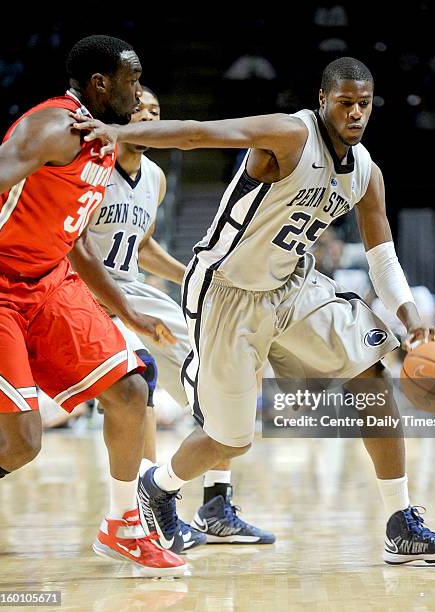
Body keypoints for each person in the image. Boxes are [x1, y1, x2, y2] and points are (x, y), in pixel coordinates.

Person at [72, 56, 435, 564]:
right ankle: (159, 485)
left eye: (363, 105)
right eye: (344, 102)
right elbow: (197, 133)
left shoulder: (366, 173)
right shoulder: (289, 135)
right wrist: (109, 129)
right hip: (226, 291)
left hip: (292, 285)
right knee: (229, 440)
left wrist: (413, 323)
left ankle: (401, 521)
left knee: (369, 368)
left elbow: (382, 257)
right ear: (323, 100)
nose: (354, 114)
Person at [0, 35, 185, 577]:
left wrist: (128, 311)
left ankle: (123, 527)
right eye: (133, 79)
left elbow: (75, 241)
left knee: (129, 389)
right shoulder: (53, 127)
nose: (140, 89)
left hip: (50, 279)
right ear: (101, 84)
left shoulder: (104, 139)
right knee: (21, 444)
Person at [70, 86, 273, 550]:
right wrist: (124, 307)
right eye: (139, 109)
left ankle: (216, 506)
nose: (148, 117)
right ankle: (143, 512)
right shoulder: (91, 171)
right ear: (119, 116)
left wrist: (192, 276)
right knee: (141, 372)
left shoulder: (156, 178)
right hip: (86, 292)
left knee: (217, 372)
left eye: (157, 112)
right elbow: (73, 247)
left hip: (135, 287)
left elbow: (141, 246)